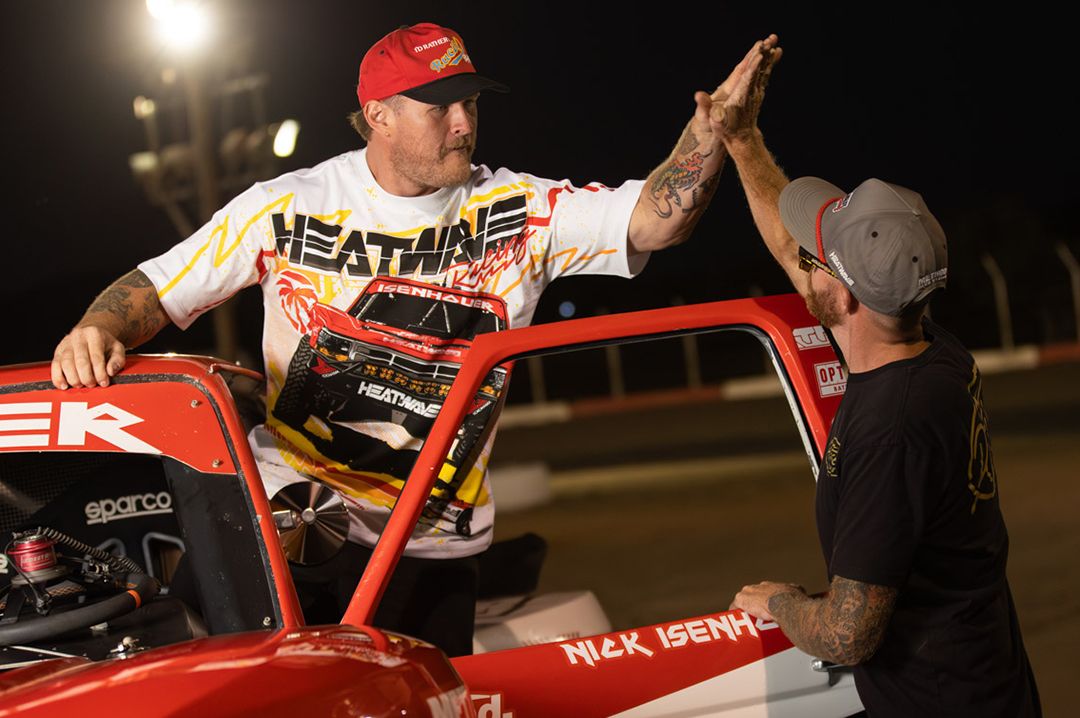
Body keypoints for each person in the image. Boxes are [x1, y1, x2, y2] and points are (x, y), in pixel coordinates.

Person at [50, 23, 782, 656]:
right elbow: (157, 287)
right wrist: (96, 329)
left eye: (470, 103)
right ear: (379, 116)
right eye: (440, 107)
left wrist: (716, 131)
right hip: (288, 519)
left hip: (431, 543)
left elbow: (655, 220)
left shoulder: (520, 209)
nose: (464, 123)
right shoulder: (286, 207)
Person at [720, 46, 1041, 717]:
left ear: (844, 297)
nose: (802, 261)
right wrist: (742, 140)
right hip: (990, 684)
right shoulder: (936, 352)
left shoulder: (889, 434)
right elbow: (794, 253)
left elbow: (848, 635)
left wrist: (780, 602)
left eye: (816, 260)